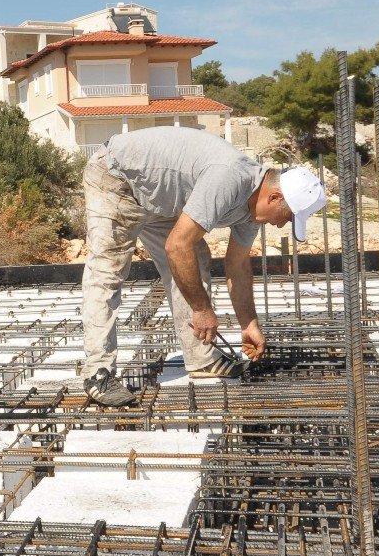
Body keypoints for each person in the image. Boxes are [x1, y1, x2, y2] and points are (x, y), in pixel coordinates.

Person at [81, 127, 326, 406]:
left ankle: (201, 358)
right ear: (274, 197)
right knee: (108, 271)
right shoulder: (230, 178)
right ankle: (98, 374)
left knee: (194, 257)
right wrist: (201, 309)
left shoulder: (253, 208)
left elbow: (237, 264)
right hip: (117, 177)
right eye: (286, 217)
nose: (280, 224)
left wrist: (249, 324)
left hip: (160, 197)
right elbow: (176, 245)